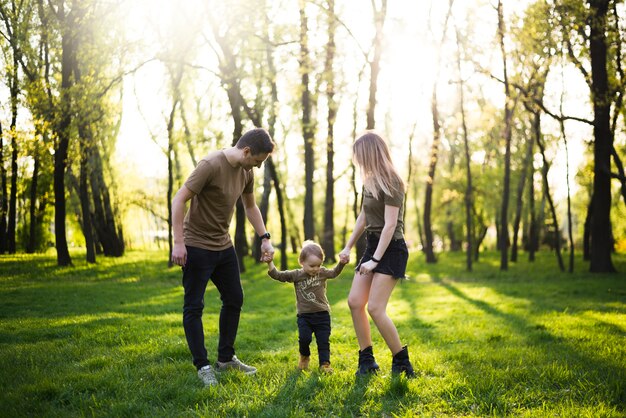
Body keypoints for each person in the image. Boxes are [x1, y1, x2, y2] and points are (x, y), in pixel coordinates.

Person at [171, 128, 276, 387]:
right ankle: (203, 366)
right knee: (194, 305)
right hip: (196, 245)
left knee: (234, 298)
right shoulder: (210, 164)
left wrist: (265, 238)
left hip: (223, 245)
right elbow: (179, 199)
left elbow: (250, 206)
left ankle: (226, 359)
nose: (258, 167)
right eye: (257, 161)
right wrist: (178, 242)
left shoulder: (246, 172)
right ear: (247, 151)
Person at [338, 131, 415, 377]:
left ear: (370, 153)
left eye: (360, 156)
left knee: (376, 308)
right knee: (355, 302)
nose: (358, 161)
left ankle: (401, 361)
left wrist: (374, 261)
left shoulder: (393, 180)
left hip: (391, 248)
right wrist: (348, 246)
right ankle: (367, 360)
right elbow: (364, 215)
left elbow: (391, 225)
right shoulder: (368, 181)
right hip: (373, 245)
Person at [266, 241, 347, 373]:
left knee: (323, 341)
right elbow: (278, 275)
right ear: (301, 262)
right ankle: (304, 357)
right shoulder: (296, 275)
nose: (316, 269)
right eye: (312, 266)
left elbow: (334, 273)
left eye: (319, 265)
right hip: (305, 316)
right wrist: (270, 262)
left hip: (322, 314)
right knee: (304, 339)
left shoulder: (322, 272)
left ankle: (324, 364)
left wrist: (342, 263)